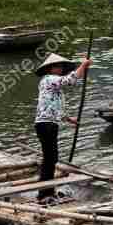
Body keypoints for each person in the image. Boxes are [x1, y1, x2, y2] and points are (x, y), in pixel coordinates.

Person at [33, 52, 92, 203]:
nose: (60, 69)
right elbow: (70, 80)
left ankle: (48, 191)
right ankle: (44, 194)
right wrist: (83, 66)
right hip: (45, 124)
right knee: (50, 158)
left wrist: (68, 118)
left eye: (60, 67)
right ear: (50, 68)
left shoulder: (53, 85)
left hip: (49, 123)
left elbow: (53, 105)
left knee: (51, 158)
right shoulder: (49, 79)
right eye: (57, 67)